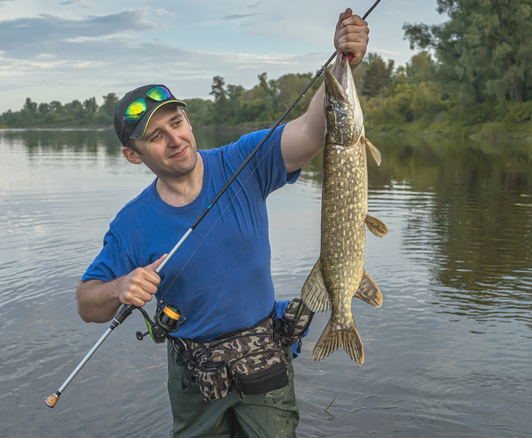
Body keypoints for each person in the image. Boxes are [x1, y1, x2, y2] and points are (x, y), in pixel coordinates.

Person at [76, 8, 369, 437]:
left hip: (264, 360)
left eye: (176, 122)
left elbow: (312, 130)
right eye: (156, 135)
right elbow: (86, 303)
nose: (175, 139)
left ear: (188, 121)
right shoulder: (132, 224)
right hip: (195, 376)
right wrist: (119, 288)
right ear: (134, 154)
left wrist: (342, 62)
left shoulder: (243, 161)